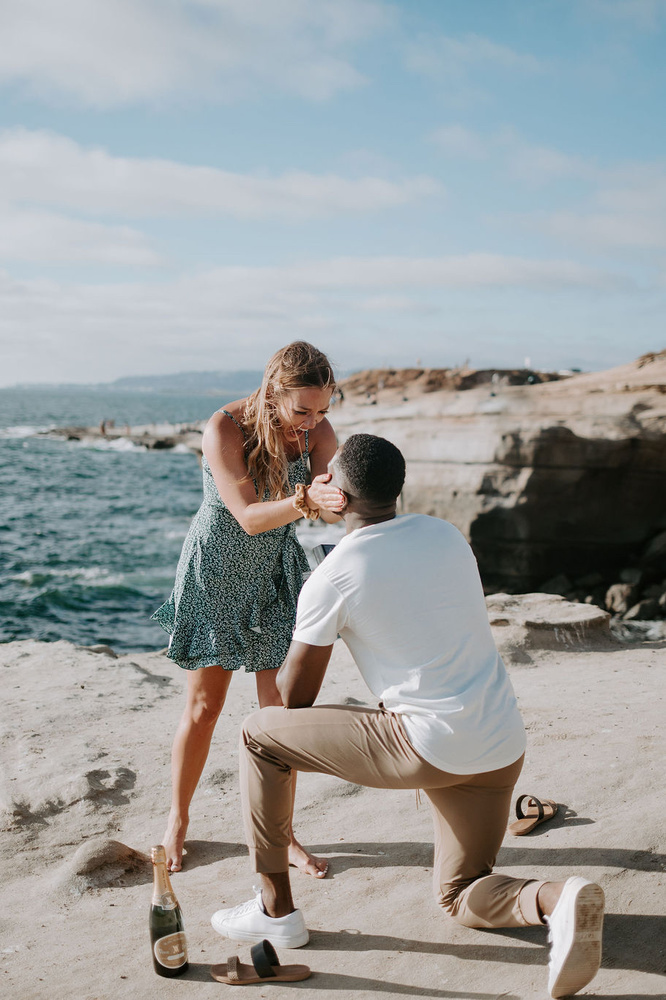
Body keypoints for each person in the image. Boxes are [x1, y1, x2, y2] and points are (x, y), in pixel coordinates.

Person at [211, 433, 605, 999]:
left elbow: (292, 703)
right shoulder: (445, 534)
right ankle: (557, 899)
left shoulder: (333, 575)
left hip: (428, 746)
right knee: (461, 895)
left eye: (329, 482)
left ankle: (275, 910)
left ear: (336, 497)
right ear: (398, 488)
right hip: (499, 744)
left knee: (259, 735)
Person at [152, 342, 346, 875]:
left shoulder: (318, 432)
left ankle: (280, 835)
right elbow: (247, 516)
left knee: (278, 717)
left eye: (324, 410)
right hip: (218, 565)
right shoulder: (225, 428)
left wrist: (335, 499)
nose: (313, 424)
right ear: (272, 393)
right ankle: (178, 820)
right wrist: (309, 499)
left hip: (275, 570)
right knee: (205, 707)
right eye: (303, 410)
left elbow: (330, 513)